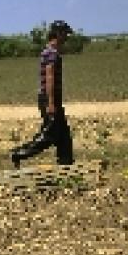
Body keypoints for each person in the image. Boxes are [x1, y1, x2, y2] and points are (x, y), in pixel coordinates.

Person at [11, 20, 75, 167]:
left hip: (51, 98)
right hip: (49, 98)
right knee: (49, 135)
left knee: (63, 136)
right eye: (65, 33)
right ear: (57, 34)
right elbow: (49, 77)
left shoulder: (52, 52)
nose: (66, 37)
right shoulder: (51, 54)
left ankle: (66, 164)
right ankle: (19, 154)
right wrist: (51, 103)